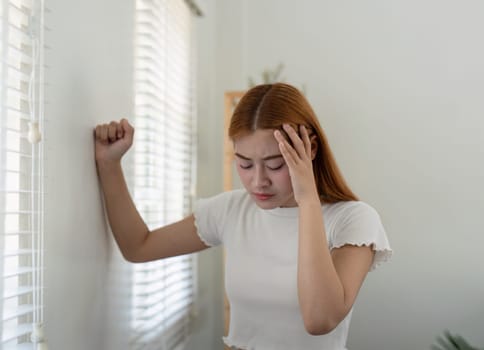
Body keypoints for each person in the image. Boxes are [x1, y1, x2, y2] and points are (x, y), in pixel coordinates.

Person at [94, 82, 392, 350]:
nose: (258, 181)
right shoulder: (231, 210)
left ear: (309, 148)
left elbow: (319, 320)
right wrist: (109, 164)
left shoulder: (354, 220)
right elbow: (138, 246)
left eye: (275, 165)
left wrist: (308, 201)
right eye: (245, 164)